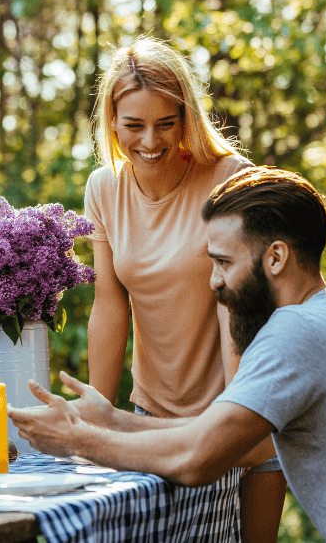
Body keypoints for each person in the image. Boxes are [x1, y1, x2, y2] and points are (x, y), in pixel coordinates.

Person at [10, 167, 326, 543]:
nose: (213, 281)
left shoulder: (296, 332)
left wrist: (77, 441)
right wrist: (111, 420)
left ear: (275, 258)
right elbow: (231, 438)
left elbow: (198, 459)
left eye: (224, 263)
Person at [85, 38, 284, 540]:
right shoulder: (104, 189)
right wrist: (95, 421)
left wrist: (232, 420)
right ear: (112, 121)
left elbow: (237, 304)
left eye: (165, 123)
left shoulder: (228, 180)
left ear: (186, 117)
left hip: (239, 412)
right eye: (133, 125)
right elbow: (110, 308)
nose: (150, 140)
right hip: (149, 418)